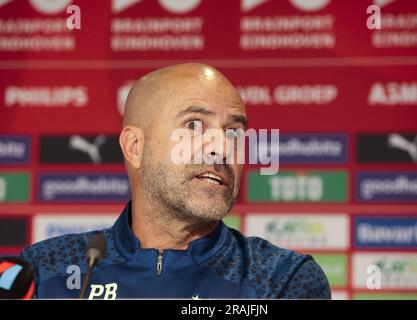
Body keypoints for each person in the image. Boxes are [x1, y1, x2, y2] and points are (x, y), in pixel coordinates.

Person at [20, 63, 331, 299]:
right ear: (135, 147)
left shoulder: (282, 280)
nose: (222, 148)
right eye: (193, 125)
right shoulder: (45, 269)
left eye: (234, 132)